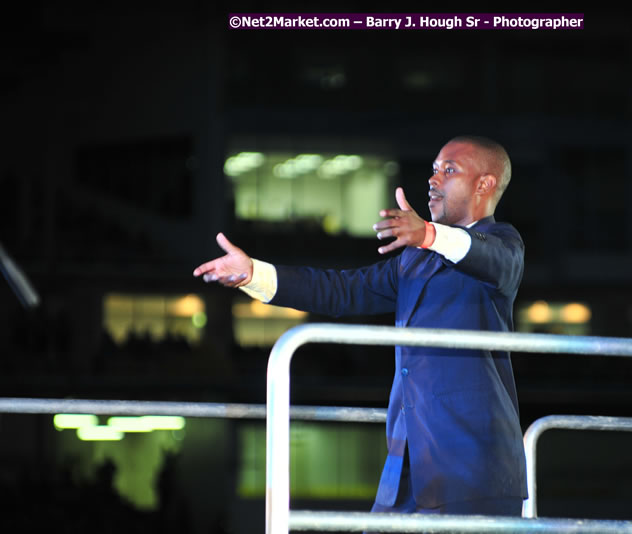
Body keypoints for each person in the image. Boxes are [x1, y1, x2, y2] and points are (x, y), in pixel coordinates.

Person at [193, 135, 528, 516]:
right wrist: (254, 274)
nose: (433, 179)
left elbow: (489, 258)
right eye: (434, 169)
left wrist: (428, 234)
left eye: (449, 170)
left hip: (474, 468)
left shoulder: (504, 244)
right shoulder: (414, 260)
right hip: (408, 468)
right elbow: (342, 291)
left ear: (484, 184)